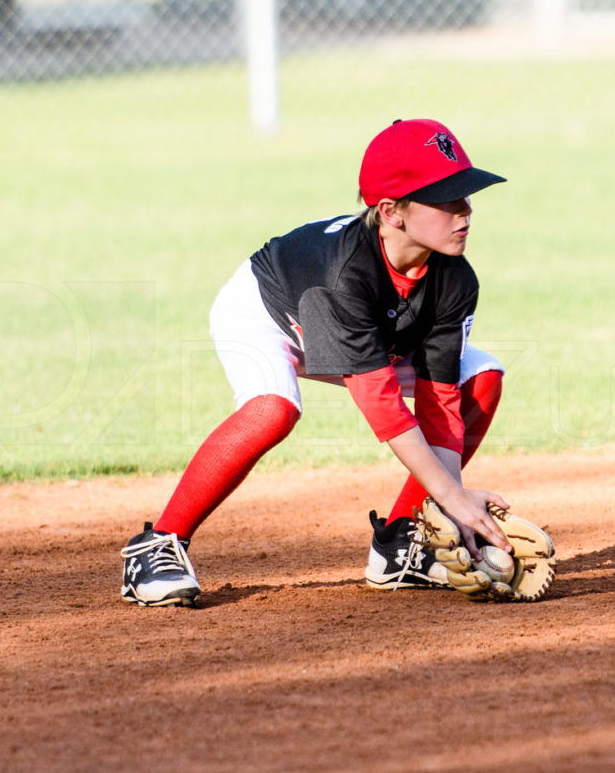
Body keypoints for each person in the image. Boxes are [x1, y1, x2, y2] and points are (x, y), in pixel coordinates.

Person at [121, 118, 513, 607]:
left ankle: (400, 546)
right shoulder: (342, 275)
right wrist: (454, 497)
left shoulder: (454, 278)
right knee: (274, 409)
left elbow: (441, 402)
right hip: (270, 312)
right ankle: (158, 544)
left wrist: (449, 500)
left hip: (378, 330)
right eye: (446, 199)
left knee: (481, 375)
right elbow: (383, 407)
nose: (466, 211)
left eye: (466, 194)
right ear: (392, 212)